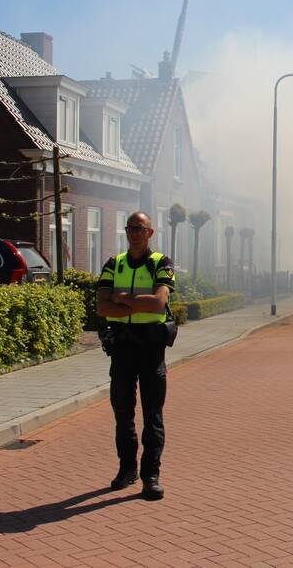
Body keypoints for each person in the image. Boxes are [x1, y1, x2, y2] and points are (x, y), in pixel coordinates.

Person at [96, 211, 176, 500]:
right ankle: (126, 469)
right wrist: (135, 306)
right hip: (123, 349)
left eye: (139, 228)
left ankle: (151, 476)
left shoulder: (161, 264)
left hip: (151, 349)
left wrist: (122, 300)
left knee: (152, 415)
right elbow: (102, 308)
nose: (133, 232)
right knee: (122, 413)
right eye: (129, 228)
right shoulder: (113, 264)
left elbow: (158, 303)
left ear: (150, 233)